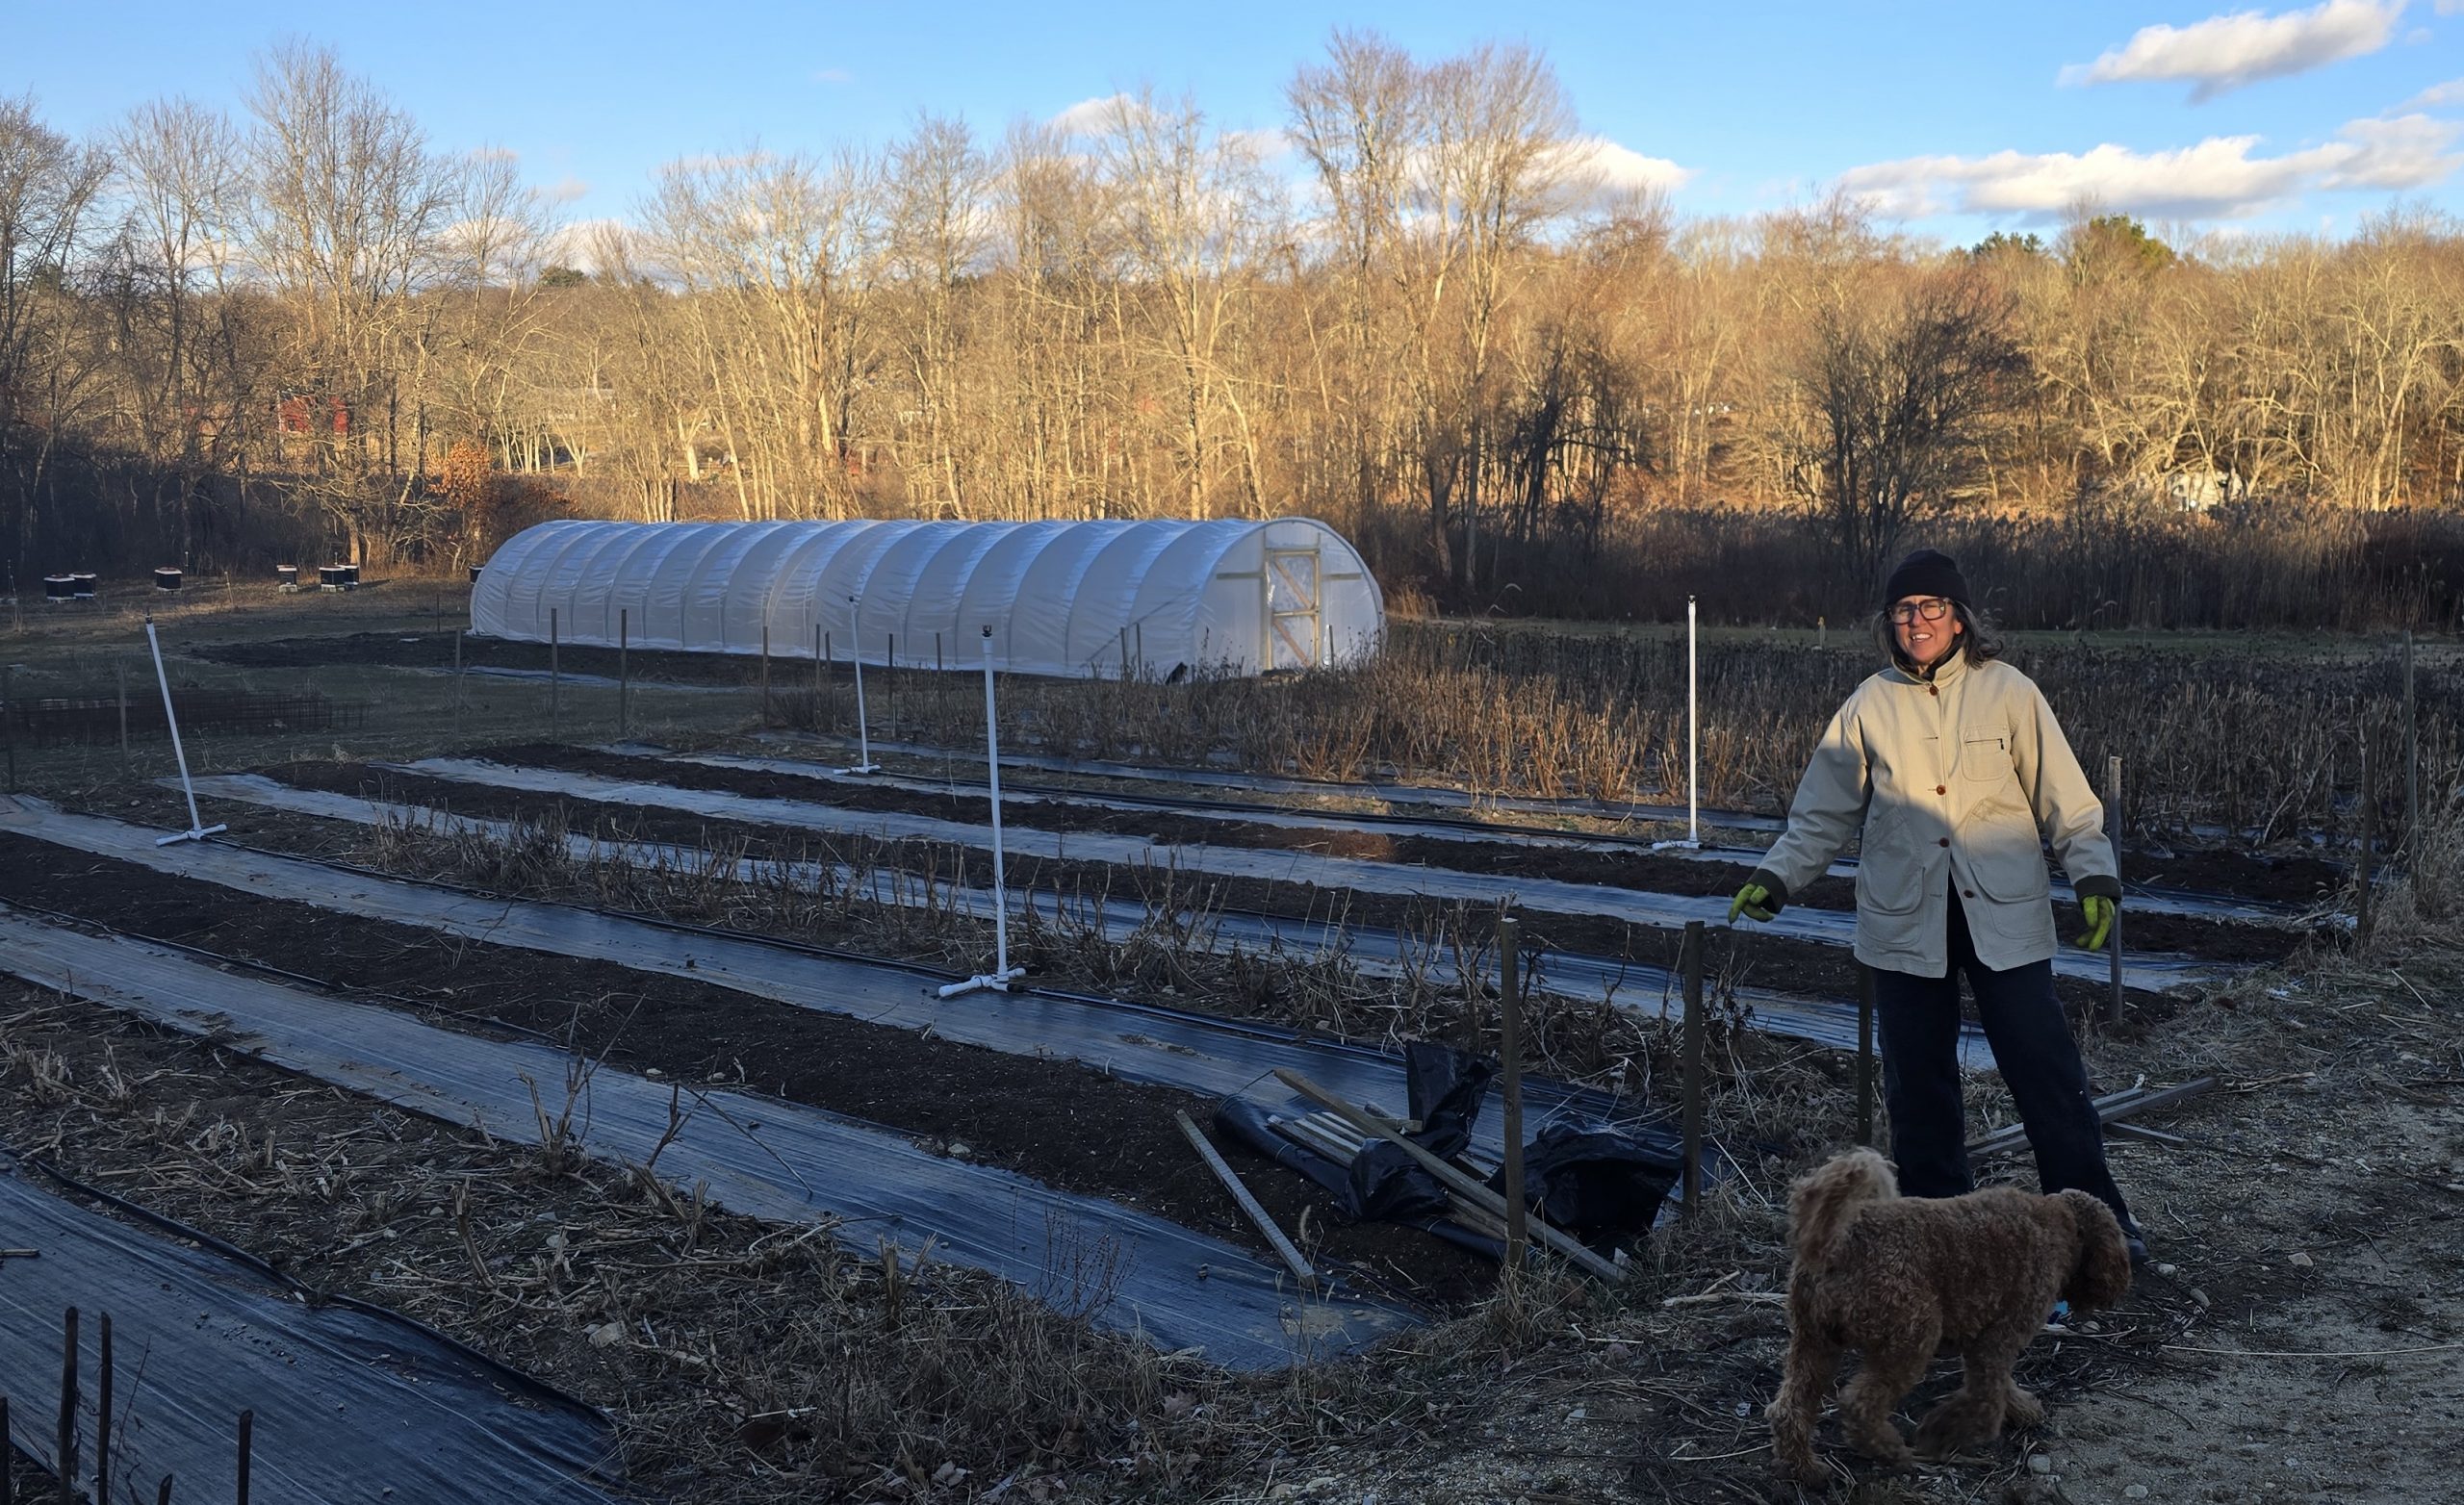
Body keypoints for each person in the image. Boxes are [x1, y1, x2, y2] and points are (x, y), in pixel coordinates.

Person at [1728, 548, 2143, 1260]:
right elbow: (1821, 815)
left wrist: (2093, 875)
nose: (1916, 621)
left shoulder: (2008, 691)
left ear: (1959, 619)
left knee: (2047, 1076)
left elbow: (2065, 801)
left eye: (1931, 608)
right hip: (1903, 921)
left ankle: (2097, 1228)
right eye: (1903, 610)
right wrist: (1779, 876)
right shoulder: (1868, 705)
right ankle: (1938, 1241)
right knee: (1919, 1089)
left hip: (2003, 917)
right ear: (1887, 622)